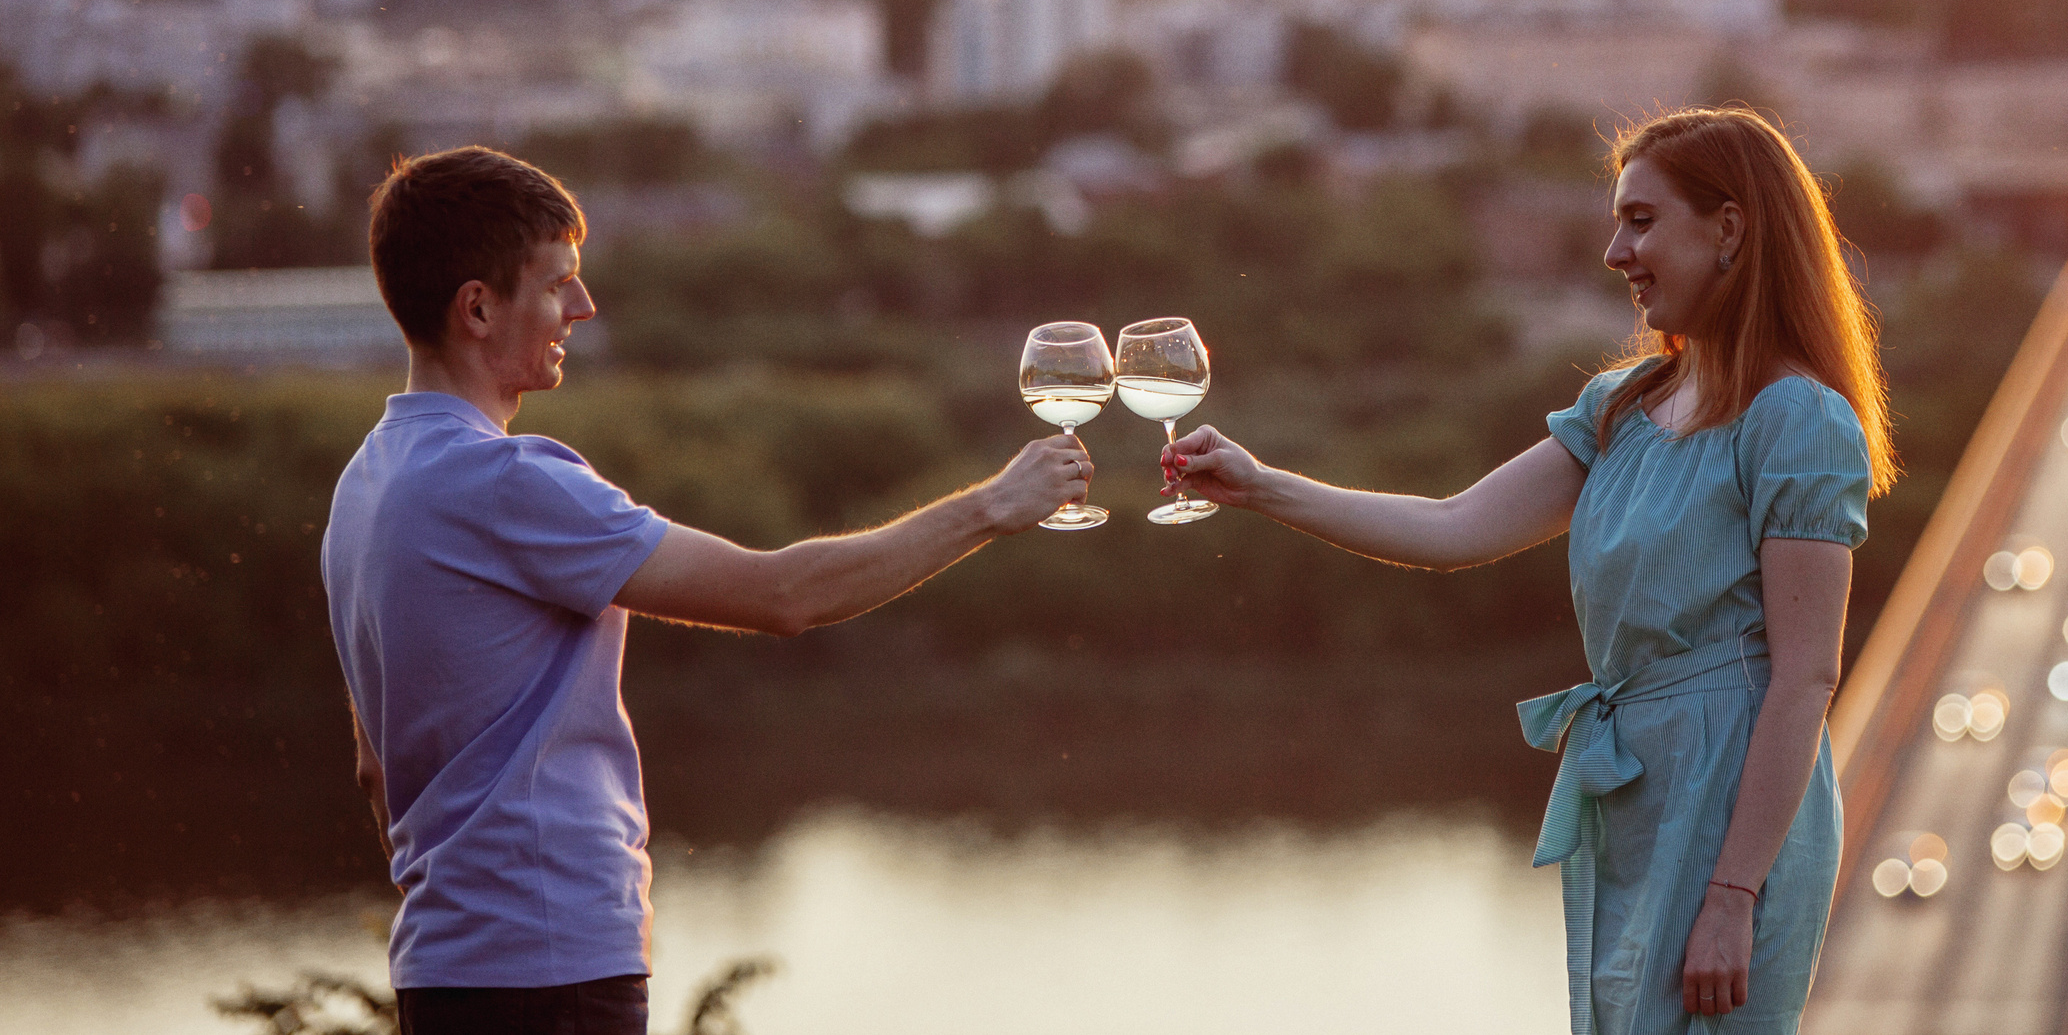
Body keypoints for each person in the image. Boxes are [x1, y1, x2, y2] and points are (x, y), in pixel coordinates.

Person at [322, 146, 1091, 1035]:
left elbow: (376, 770)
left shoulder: (368, 481)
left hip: (445, 970)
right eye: (558, 284)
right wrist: (993, 507)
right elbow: (783, 595)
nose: (583, 305)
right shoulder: (506, 484)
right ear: (479, 307)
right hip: (549, 972)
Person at [1162, 106, 1893, 1034]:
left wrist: (1734, 896)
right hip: (1637, 786)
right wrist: (1261, 487)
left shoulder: (1797, 418)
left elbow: (1807, 677)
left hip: (1734, 802)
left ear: (1731, 229)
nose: (1613, 251)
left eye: (1640, 219)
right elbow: (1452, 526)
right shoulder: (1624, 405)